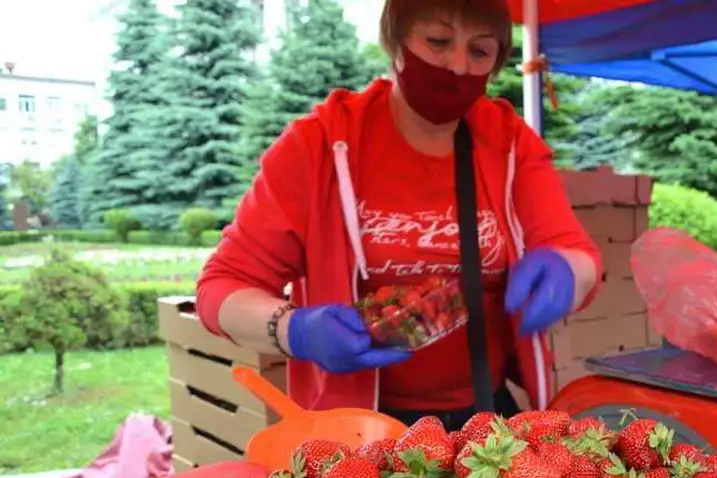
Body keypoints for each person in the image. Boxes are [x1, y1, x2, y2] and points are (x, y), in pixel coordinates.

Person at [195, 0, 601, 430]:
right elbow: (222, 287)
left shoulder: (509, 144)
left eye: (480, 52)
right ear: (395, 41)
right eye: (438, 41)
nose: (459, 66)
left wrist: (568, 272)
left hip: (484, 417)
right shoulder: (318, 145)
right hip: (358, 428)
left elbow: (578, 254)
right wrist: (293, 329)